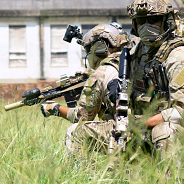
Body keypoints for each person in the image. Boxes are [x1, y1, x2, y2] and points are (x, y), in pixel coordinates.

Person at [126, 0, 184, 156]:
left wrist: (141, 124)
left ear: (166, 21)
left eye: (154, 19)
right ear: (135, 24)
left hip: (176, 132)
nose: (146, 25)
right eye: (141, 20)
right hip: (139, 129)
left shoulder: (178, 56)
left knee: (164, 131)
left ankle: (171, 181)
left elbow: (183, 111)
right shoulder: (134, 53)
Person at [40, 23, 129, 153]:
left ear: (99, 48)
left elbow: (81, 116)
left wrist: (54, 108)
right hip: (146, 127)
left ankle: (83, 172)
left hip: (124, 134)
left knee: (76, 131)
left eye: (89, 50)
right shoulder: (132, 64)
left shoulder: (100, 74)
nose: (88, 55)